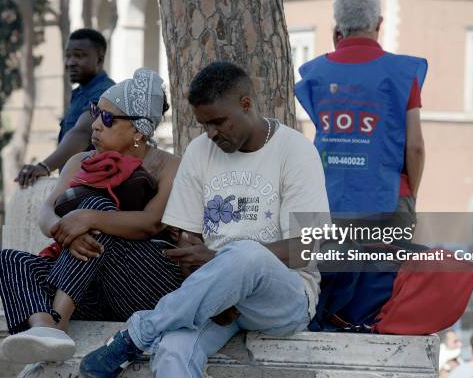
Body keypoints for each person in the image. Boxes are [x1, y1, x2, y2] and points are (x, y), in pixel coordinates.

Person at [79, 61, 330, 378]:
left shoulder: (295, 150)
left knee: (246, 252)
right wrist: (218, 289)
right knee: (172, 351)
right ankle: (150, 333)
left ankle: (136, 335)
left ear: (246, 104)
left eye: (219, 122)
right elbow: (185, 240)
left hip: (282, 298)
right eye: (204, 125)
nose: (212, 134)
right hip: (214, 299)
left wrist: (222, 263)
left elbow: (306, 247)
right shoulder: (199, 151)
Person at [0, 69, 183, 364]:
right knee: (7, 260)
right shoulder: (80, 160)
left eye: (107, 119)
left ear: (138, 131)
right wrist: (64, 228)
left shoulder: (168, 165)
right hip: (89, 285)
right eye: (96, 112)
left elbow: (151, 223)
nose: (95, 125)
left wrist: (89, 219)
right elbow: (47, 211)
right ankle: (45, 330)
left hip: (143, 283)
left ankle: (57, 323)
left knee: (100, 210)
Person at [295, 0, 426, 220]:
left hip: (331, 199)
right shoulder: (403, 74)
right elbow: (415, 147)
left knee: (333, 258)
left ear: (338, 26)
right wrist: (409, 196)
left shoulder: (315, 73)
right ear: (379, 23)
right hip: (389, 200)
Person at [16, 28, 115, 188]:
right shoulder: (79, 93)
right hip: (75, 186)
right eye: (68, 55)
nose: (70, 62)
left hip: (93, 192)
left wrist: (44, 167)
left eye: (79, 55)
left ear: (99, 59)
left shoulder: (104, 92)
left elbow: (82, 133)